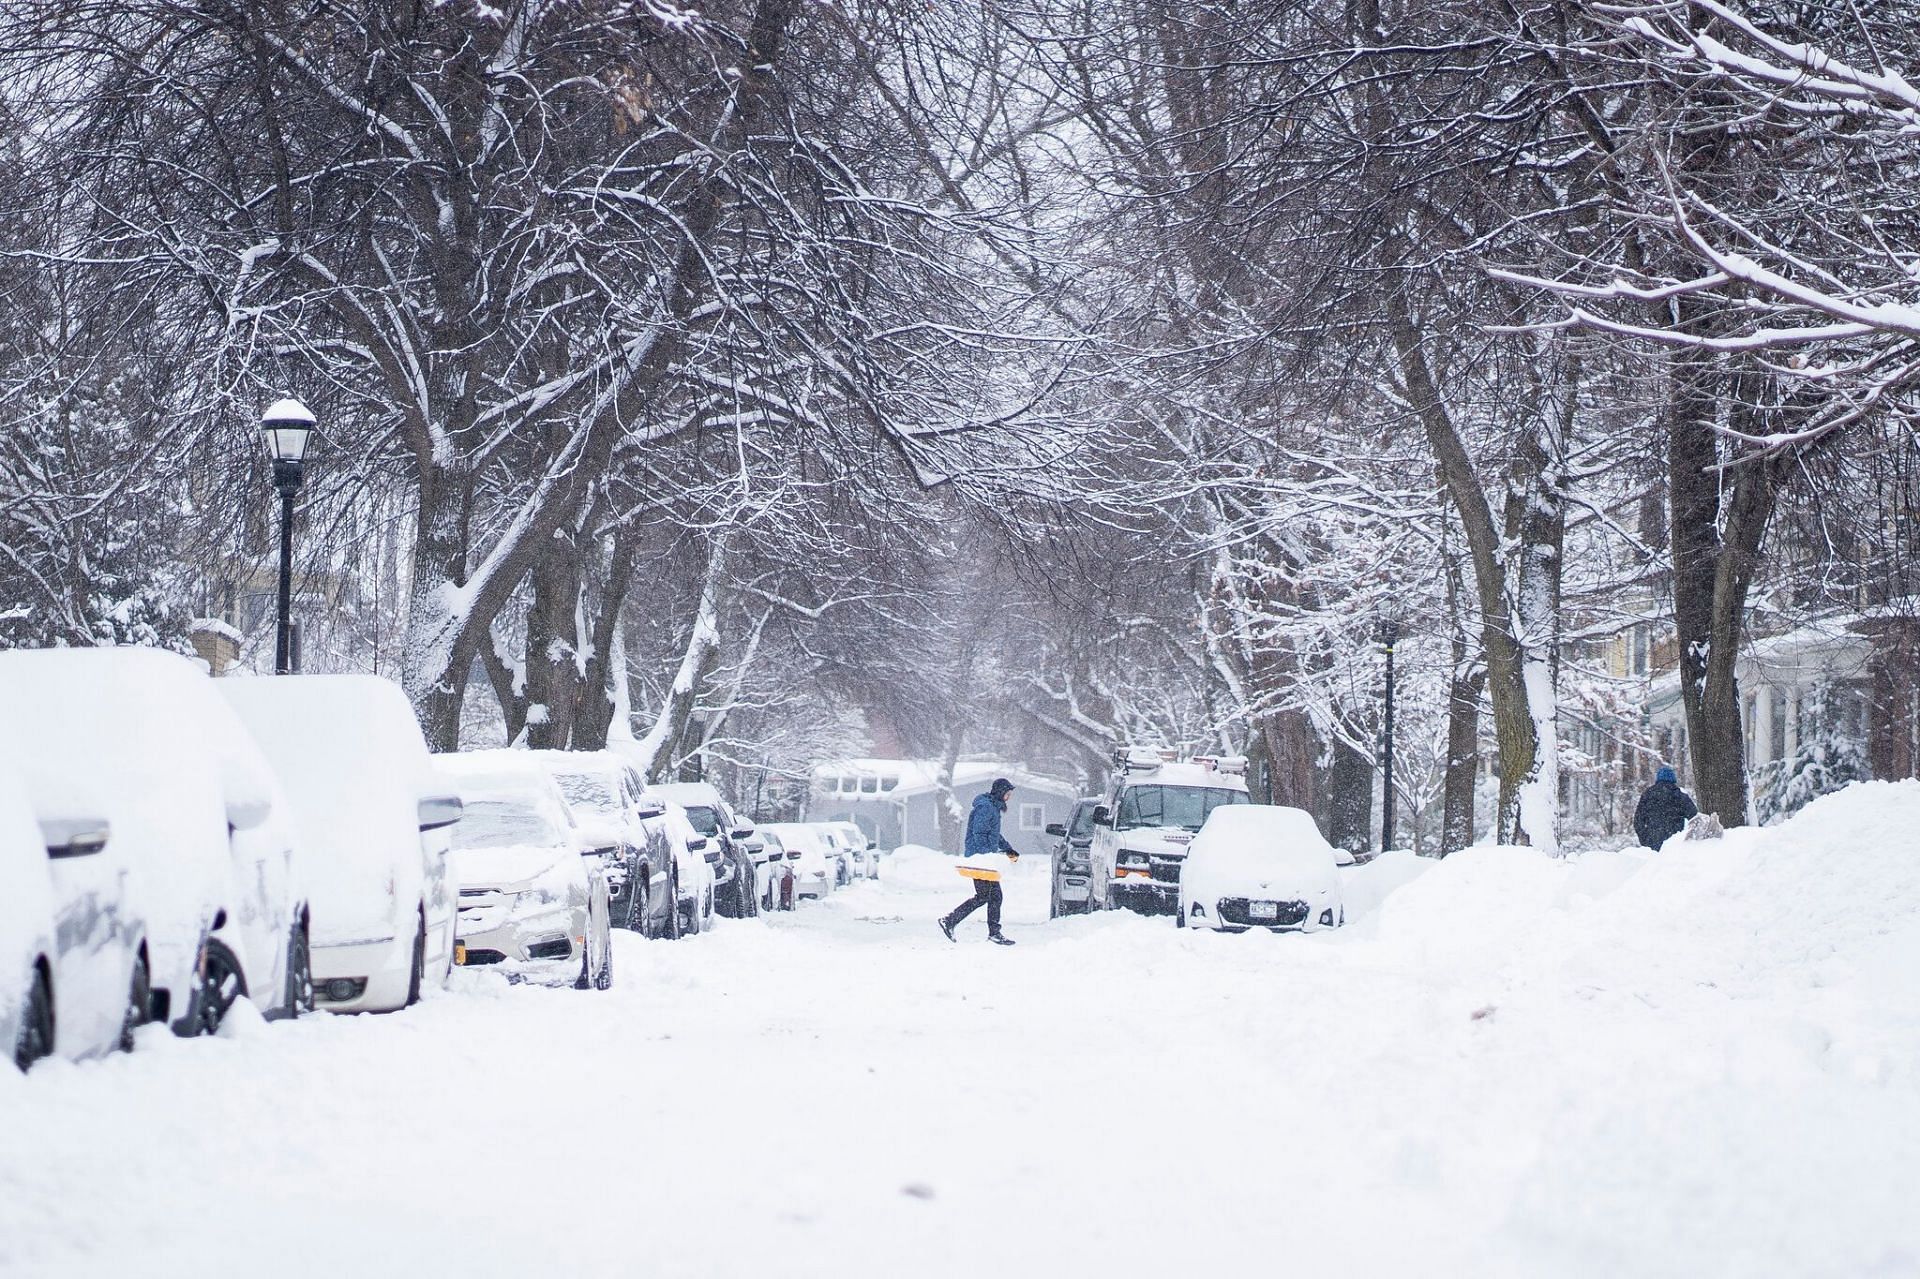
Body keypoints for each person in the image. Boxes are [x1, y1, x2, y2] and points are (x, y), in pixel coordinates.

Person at [940, 777, 1019, 945]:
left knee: (991, 896)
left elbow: (993, 834)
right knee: (988, 896)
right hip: (980, 860)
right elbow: (979, 833)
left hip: (984, 859)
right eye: (1007, 794)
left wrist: (1008, 849)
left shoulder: (992, 808)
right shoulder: (986, 808)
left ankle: (989, 931)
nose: (1008, 797)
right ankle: (950, 921)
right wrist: (986, 856)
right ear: (1000, 792)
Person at [1633, 765, 1698, 850]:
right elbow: (1695, 818)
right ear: (1673, 779)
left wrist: (1645, 840)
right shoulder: (1680, 796)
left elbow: (1638, 820)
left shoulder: (1647, 796)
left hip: (1652, 842)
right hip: (1674, 844)